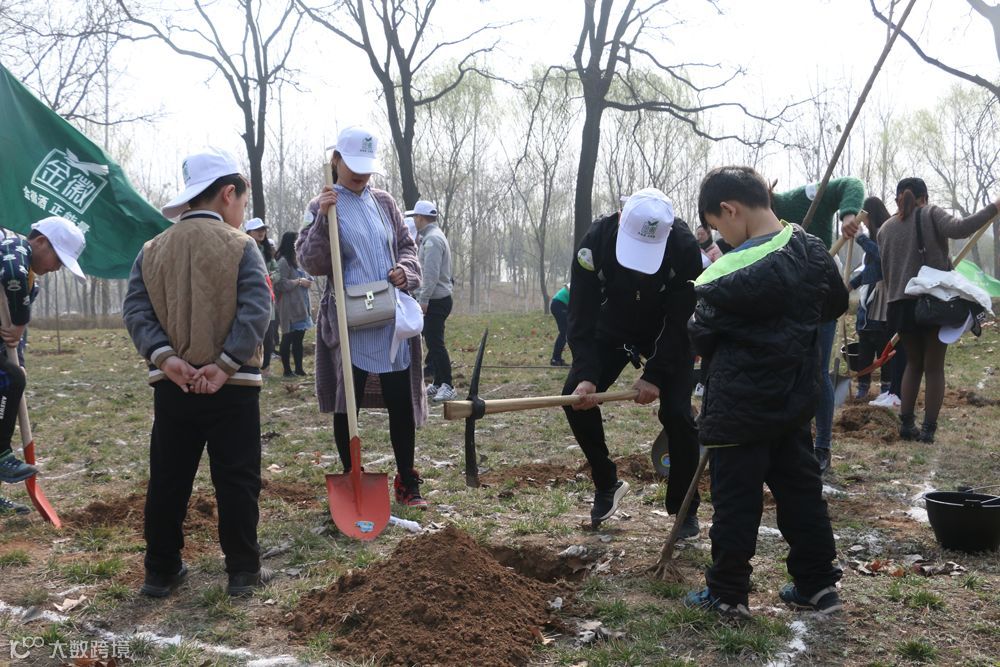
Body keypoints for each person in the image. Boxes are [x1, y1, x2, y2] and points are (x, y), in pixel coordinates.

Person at [685, 166, 846, 619]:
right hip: (794, 399)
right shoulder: (814, 251)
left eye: (718, 226)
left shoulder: (724, 273)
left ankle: (727, 593)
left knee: (736, 500)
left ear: (730, 209)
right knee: (801, 493)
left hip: (738, 408)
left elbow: (701, 332)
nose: (722, 237)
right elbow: (834, 303)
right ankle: (817, 584)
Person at [123, 148, 272, 598]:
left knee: (168, 479)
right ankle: (242, 571)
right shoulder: (242, 245)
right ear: (228, 193)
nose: (242, 210)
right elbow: (257, 310)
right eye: (242, 201)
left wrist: (166, 358)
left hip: (174, 386)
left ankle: (161, 570)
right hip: (234, 386)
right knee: (237, 479)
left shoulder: (151, 250)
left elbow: (136, 311)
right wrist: (225, 365)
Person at [297, 126, 429, 509]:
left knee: (400, 400)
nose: (360, 174)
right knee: (347, 402)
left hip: (390, 318)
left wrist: (406, 271)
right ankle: (352, 476)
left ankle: (407, 481)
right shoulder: (321, 205)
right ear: (336, 160)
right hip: (349, 320)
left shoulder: (384, 202)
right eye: (353, 165)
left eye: (366, 167)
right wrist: (323, 219)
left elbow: (407, 246)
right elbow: (310, 261)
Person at [563, 187, 703, 534]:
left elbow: (680, 319)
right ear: (621, 219)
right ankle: (606, 483)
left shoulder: (685, 248)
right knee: (573, 398)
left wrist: (655, 374)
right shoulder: (594, 243)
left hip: (668, 332)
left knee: (678, 414)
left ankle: (684, 507)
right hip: (612, 327)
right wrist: (586, 373)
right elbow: (581, 313)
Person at [878, 177, 1000, 443]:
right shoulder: (929, 213)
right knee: (933, 367)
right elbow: (961, 229)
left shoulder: (884, 229)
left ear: (898, 198)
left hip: (898, 305)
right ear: (924, 198)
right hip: (932, 302)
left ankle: (906, 425)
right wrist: (994, 207)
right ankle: (928, 431)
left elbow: (887, 272)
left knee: (913, 364)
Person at [772, 177, 863, 473]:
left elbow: (850, 185)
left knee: (818, 371)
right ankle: (790, 443)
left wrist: (848, 214)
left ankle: (822, 446)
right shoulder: (748, 229)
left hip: (821, 298)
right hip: (785, 303)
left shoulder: (801, 199)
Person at [0, 217, 86, 515]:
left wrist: (19, 362)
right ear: (40, 242)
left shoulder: (30, 281)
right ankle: (1, 456)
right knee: (10, 378)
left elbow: (12, 337)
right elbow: (12, 276)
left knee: (13, 378)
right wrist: (21, 321)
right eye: (58, 258)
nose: (58, 268)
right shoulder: (12, 248)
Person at [848, 196, 905, 406]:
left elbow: (883, 257)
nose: (862, 223)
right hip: (868, 299)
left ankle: (887, 388)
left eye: (864, 218)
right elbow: (869, 271)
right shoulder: (872, 238)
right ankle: (863, 386)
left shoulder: (886, 233)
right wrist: (851, 285)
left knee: (883, 344)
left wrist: (861, 239)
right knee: (865, 343)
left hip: (883, 299)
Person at [409, 200, 456, 403]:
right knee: (432, 342)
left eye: (415, 217)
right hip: (435, 299)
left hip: (435, 300)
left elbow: (430, 274)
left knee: (436, 344)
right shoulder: (432, 236)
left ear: (420, 217)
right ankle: (438, 382)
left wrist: (424, 299)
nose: (414, 221)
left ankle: (448, 385)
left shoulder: (432, 240)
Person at [273, 232, 313, 377]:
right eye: (297, 241)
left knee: (298, 339)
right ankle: (287, 371)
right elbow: (279, 284)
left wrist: (307, 280)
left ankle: (299, 369)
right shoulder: (283, 261)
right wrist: (299, 281)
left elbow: (303, 277)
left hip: (301, 306)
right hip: (289, 308)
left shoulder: (296, 260)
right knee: (287, 338)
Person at [245, 218, 279, 375]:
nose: (261, 232)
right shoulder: (245, 247)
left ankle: (265, 367)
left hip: (268, 298)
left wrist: (271, 277)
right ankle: (253, 366)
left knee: (269, 336)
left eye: (263, 230)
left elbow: (276, 271)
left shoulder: (267, 251)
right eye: (257, 230)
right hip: (251, 298)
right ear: (249, 232)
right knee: (253, 334)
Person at [549, 284, 570, 366]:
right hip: (559, 304)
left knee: (565, 332)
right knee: (564, 332)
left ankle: (556, 358)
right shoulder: (583, 283)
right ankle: (555, 359)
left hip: (560, 304)